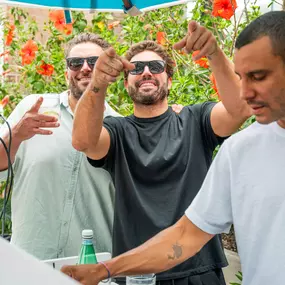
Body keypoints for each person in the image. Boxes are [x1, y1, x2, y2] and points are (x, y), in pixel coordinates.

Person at [61, 11, 285, 285]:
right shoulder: (117, 131)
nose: (145, 72)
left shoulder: (195, 120)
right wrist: (97, 82)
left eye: (155, 67)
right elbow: (83, 142)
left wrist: (214, 53)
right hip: (136, 276)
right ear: (125, 80)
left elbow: (238, 110)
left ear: (169, 77)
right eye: (136, 68)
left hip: (200, 271)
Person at [0, 33, 120, 260]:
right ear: (67, 72)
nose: (85, 68)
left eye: (94, 62)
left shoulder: (120, 127)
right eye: (76, 63)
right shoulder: (32, 108)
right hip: (31, 260)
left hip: (91, 265)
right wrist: (16, 135)